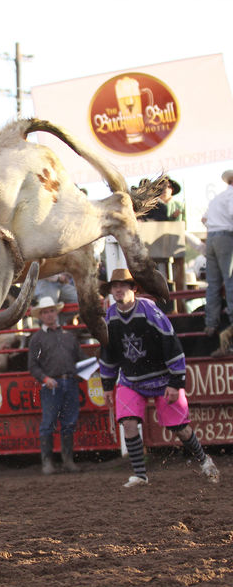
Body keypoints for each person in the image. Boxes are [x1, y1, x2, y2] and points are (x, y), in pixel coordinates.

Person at [98, 268, 220, 487]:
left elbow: (171, 344)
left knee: (180, 429)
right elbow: (108, 351)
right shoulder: (110, 317)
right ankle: (140, 474)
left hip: (163, 378)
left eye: (122, 285)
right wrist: (107, 384)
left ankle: (204, 460)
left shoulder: (150, 312)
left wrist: (175, 382)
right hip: (131, 380)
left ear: (133, 288)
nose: (117, 289)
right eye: (114, 286)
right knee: (128, 423)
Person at [28, 296, 87, 474]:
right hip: (51, 384)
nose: (49, 315)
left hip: (69, 381)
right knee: (49, 422)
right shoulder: (37, 339)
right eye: (45, 312)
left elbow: (81, 359)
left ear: (56, 313)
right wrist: (45, 379)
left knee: (68, 422)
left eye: (51, 311)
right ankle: (50, 462)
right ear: (40, 316)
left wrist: (86, 370)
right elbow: (32, 366)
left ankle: (65, 461)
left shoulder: (69, 336)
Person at [201, 170, 233, 337]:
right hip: (225, 236)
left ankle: (211, 324)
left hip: (212, 236)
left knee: (213, 283)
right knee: (230, 279)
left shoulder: (218, 197)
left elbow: (204, 219)